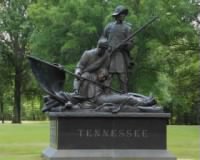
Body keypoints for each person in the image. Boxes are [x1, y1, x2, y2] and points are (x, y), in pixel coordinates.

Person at [102, 5, 134, 93]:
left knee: (123, 77)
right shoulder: (108, 27)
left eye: (123, 14)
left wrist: (124, 45)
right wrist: (105, 45)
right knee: (108, 76)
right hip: (109, 54)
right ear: (116, 16)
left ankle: (125, 96)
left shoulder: (128, 28)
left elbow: (131, 43)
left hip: (120, 55)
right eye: (120, 14)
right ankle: (106, 95)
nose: (122, 16)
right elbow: (102, 39)